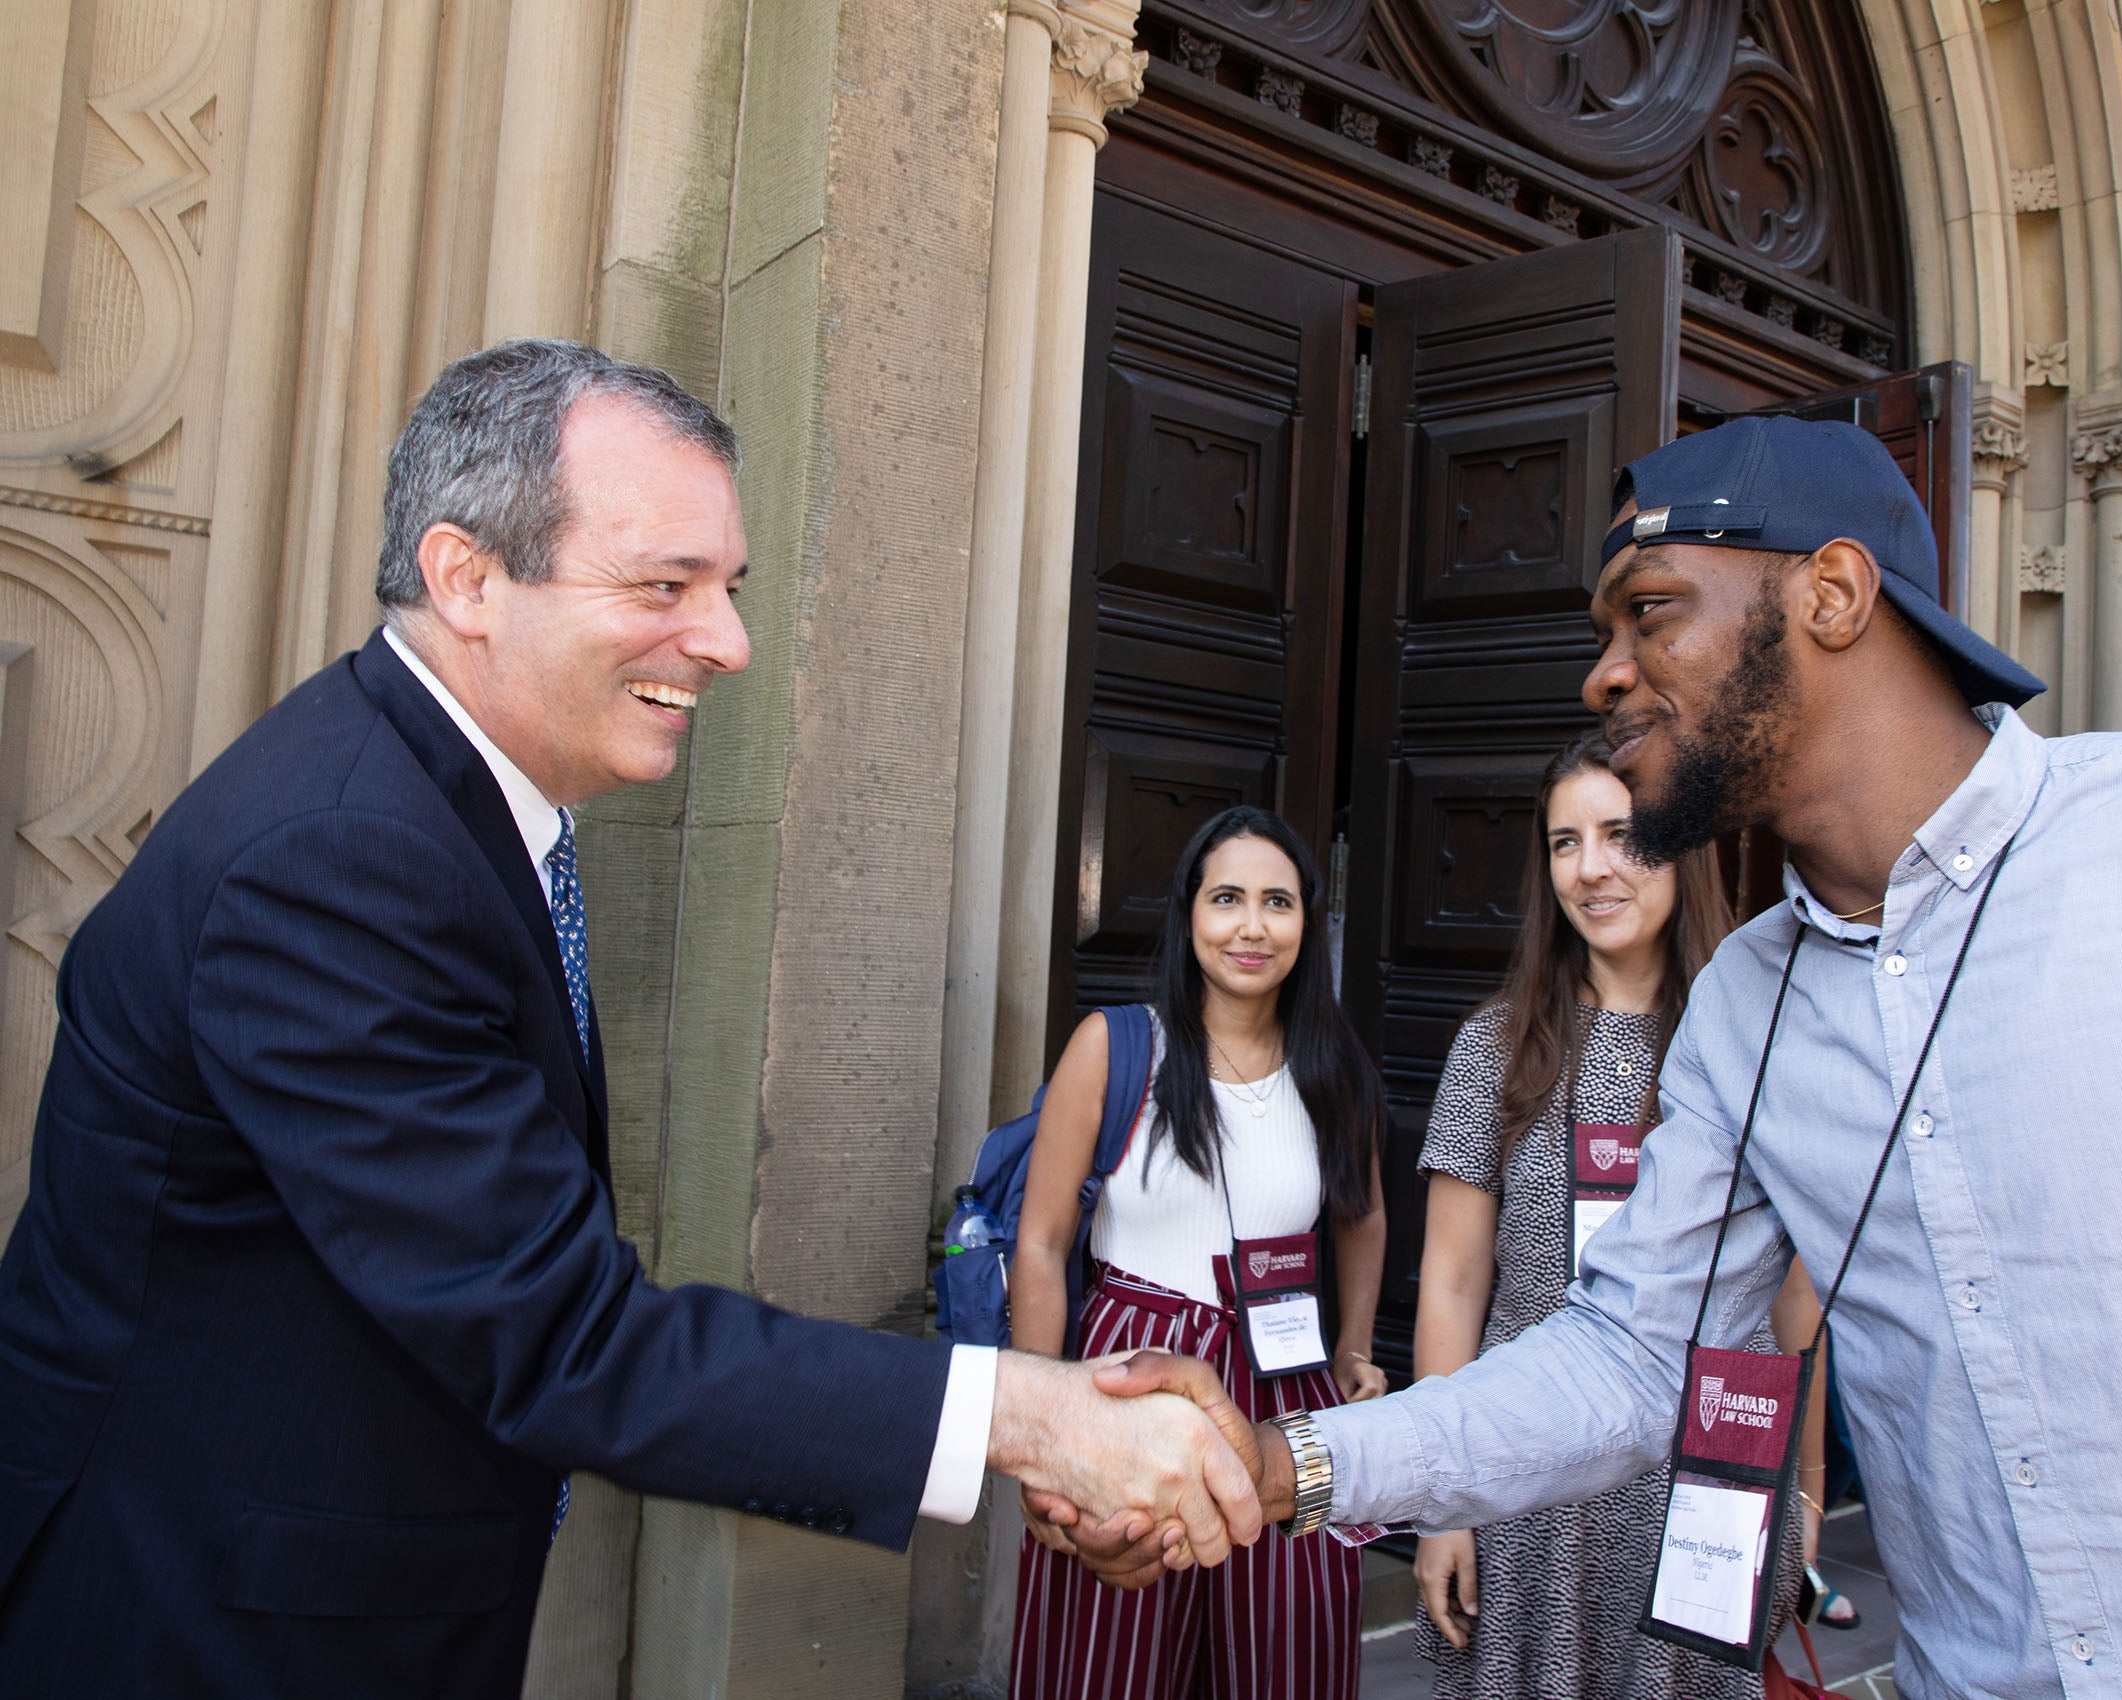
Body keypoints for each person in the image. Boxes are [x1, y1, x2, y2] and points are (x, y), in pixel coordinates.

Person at [1066, 416, 2122, 1697]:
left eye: (1649, 614)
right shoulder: (1748, 1006)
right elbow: (1630, 1357)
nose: (1603, 675)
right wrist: (1294, 1466)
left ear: (1831, 594)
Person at [0, 340, 1260, 1698]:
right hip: (198, 1628)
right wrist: (1026, 1418)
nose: (726, 642)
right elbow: (560, 1334)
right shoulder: (340, 859)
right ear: (466, 577)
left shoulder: (440, 808)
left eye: (726, 587)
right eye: (665, 586)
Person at [1409, 728, 1838, 1699]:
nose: (1591, 867)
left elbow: (1798, 1293)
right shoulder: (1495, 1046)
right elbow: (1452, 1279)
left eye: (1620, 833)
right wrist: (1441, 1498)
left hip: (1704, 1463)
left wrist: (1803, 1486)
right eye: (1565, 841)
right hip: (1532, 1462)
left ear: (1683, 845)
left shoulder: (1758, 1041)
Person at [1009, 805, 1387, 1700]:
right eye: (1227, 899)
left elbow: (1362, 1217)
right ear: (1189, 916)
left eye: (1278, 903)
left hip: (1284, 1386)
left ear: (1308, 922)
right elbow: (1042, 1239)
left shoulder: (1336, 1070)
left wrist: (1356, 1347)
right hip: (1130, 1377)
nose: (1252, 927)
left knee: (1285, 1647)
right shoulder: (1117, 1050)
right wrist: (1036, 1418)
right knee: (1116, 1652)